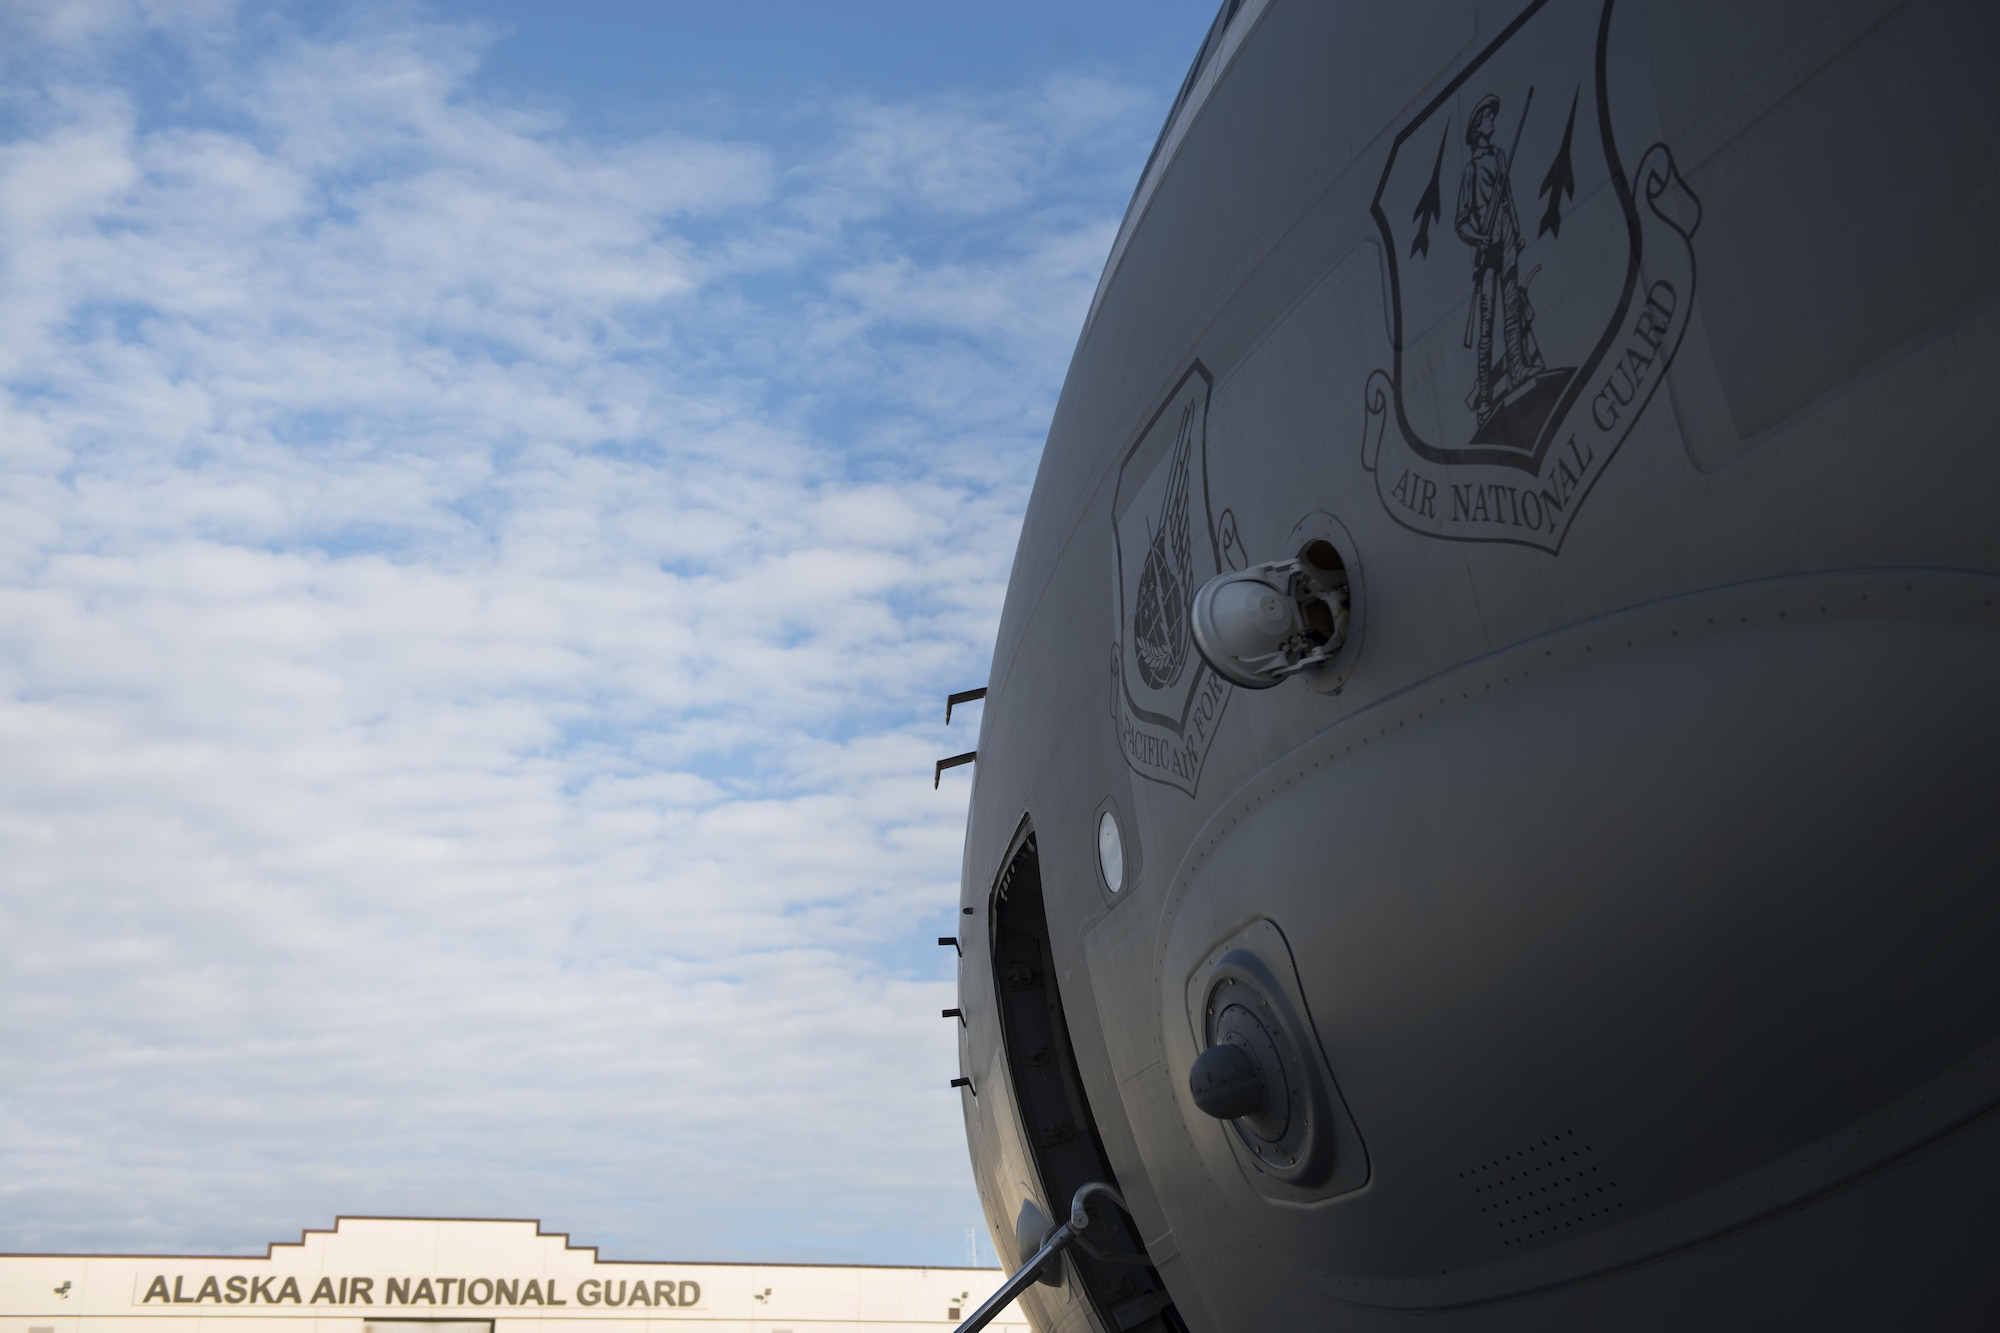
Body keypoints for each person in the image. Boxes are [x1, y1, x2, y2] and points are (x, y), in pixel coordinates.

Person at [1455, 94, 1545, 424]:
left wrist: (1516, 232)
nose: (1493, 121)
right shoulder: (1470, 171)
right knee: (1486, 326)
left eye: (1493, 117)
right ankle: (1484, 396)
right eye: (1488, 118)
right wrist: (1480, 239)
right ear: (1479, 127)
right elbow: (1461, 220)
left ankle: (1518, 370)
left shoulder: (1501, 157)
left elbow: (1507, 199)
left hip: (1506, 242)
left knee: (1511, 311)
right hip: (1487, 250)